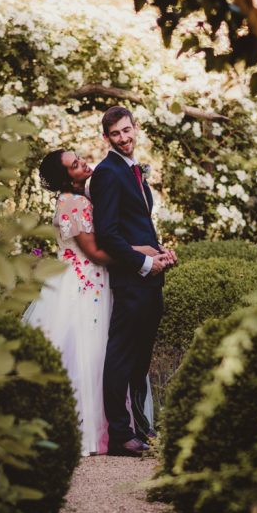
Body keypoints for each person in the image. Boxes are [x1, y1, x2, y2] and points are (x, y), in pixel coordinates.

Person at [23, 148, 158, 457]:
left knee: (104, 355)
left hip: (97, 282)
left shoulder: (83, 198)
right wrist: (141, 254)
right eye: (75, 164)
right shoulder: (73, 204)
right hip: (83, 286)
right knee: (89, 354)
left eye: (79, 158)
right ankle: (86, 430)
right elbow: (95, 253)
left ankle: (115, 428)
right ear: (65, 177)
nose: (83, 162)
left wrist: (139, 248)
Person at [90, 105, 176, 458]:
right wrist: (144, 263)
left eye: (127, 131)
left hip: (149, 278)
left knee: (140, 360)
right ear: (106, 138)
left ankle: (143, 428)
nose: (124, 138)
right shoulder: (107, 173)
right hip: (130, 280)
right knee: (122, 357)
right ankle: (121, 433)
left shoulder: (135, 171)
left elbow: (137, 225)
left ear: (135, 128)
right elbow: (108, 236)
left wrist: (160, 252)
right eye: (116, 134)